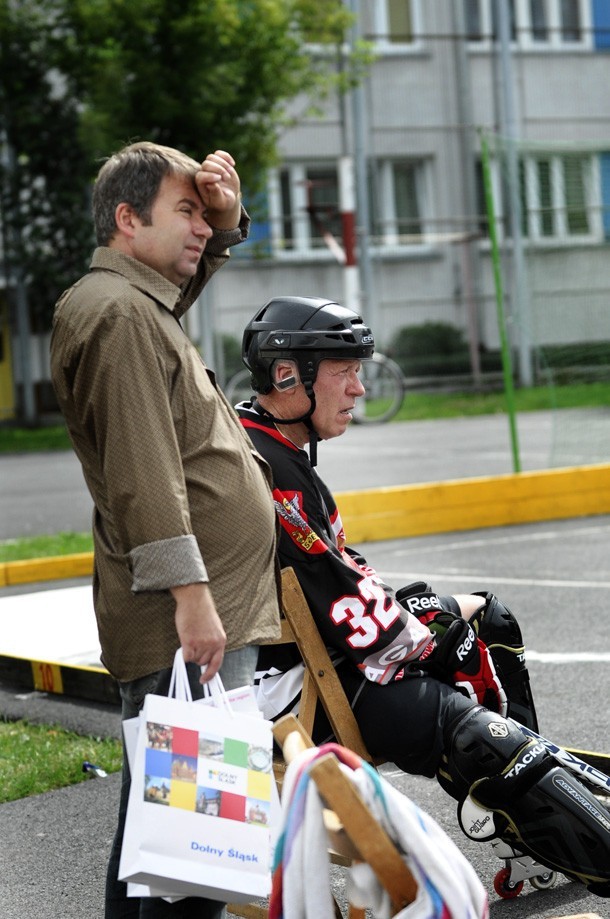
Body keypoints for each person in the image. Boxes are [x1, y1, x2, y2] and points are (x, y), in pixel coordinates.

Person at [236, 295, 610, 898]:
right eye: (345, 371)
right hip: (300, 693)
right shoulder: (267, 467)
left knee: (488, 615)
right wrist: (431, 637)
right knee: (479, 737)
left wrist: (430, 619)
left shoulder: (271, 443)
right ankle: (546, 806)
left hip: (326, 659)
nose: (360, 388)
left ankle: (527, 821)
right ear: (288, 375)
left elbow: (338, 581)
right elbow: (344, 608)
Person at [50, 142, 281, 919]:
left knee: (158, 840)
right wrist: (191, 594)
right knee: (198, 864)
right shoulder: (117, 316)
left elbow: (175, 284)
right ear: (127, 218)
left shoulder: (130, 303)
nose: (200, 228)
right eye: (185, 212)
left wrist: (221, 218)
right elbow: (143, 471)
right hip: (183, 617)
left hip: (187, 611)